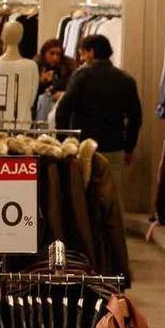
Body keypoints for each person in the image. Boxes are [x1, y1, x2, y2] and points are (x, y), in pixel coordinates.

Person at [56, 34, 142, 208]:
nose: (81, 59)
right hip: (114, 144)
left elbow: (63, 109)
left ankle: (87, 234)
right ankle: (113, 234)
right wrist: (129, 146)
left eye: (82, 54)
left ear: (92, 52)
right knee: (113, 198)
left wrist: (63, 139)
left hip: (84, 144)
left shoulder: (81, 77)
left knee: (83, 196)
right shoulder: (126, 79)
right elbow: (135, 117)